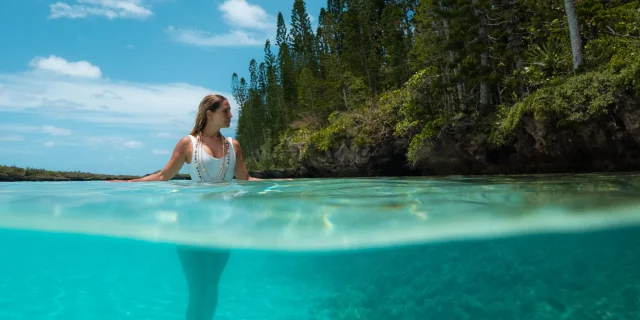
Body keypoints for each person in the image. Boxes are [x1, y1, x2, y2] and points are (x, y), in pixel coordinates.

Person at [111, 94, 266, 320]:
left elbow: (246, 180)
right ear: (209, 114)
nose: (231, 115)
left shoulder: (233, 145)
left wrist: (287, 184)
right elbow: (164, 176)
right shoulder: (188, 144)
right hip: (191, 228)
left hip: (223, 229)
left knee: (211, 287)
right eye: (226, 111)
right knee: (197, 290)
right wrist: (127, 184)